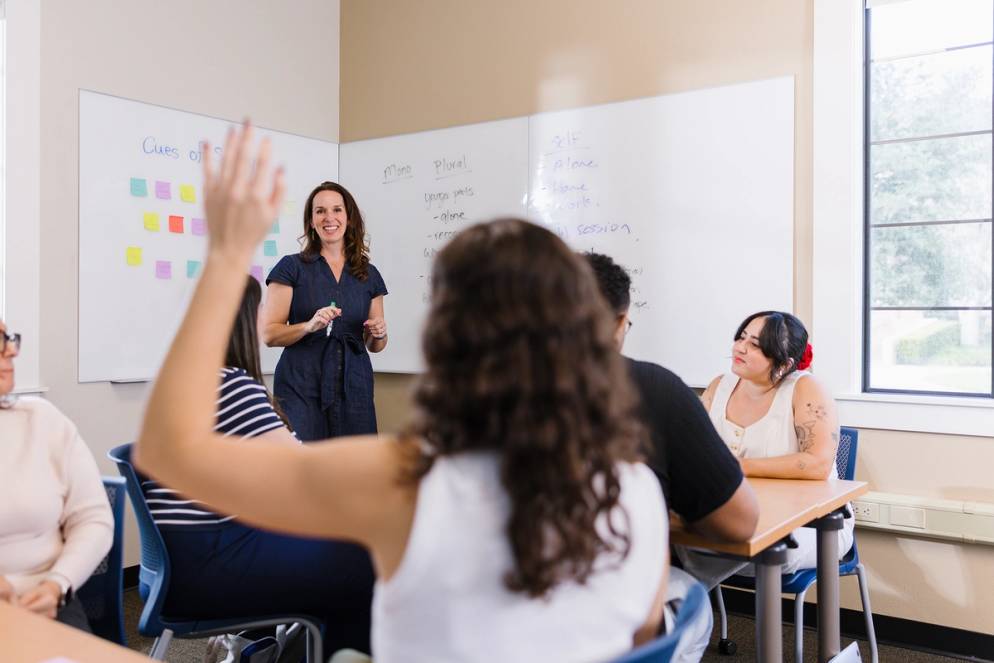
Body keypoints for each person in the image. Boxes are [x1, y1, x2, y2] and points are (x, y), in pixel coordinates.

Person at [135, 123, 668, 663]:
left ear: (441, 339)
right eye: (320, 211)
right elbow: (644, 643)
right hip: (307, 387)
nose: (329, 218)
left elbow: (165, 452)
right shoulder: (641, 491)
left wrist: (227, 254)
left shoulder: (399, 484)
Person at [139, 276, 375, 655]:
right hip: (207, 570)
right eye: (259, 309)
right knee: (361, 558)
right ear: (243, 321)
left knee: (330, 552)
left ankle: (263, 646)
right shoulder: (230, 385)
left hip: (177, 566)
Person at [584, 252, 758, 663]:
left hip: (485, 617)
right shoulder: (655, 389)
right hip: (599, 617)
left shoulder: (472, 395)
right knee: (689, 596)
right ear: (618, 323)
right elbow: (738, 522)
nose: (745, 348)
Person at [685, 310, 853, 584]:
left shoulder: (806, 389)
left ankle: (679, 607)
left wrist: (735, 467)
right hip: (739, 512)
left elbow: (818, 464)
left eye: (755, 345)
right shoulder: (719, 386)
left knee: (737, 546)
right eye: (742, 338)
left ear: (784, 364)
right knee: (670, 536)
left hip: (811, 526)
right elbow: (694, 450)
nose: (740, 347)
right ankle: (675, 609)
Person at [0, 320, 113, 631]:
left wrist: (56, 586)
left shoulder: (43, 420)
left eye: (8, 339)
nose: (10, 351)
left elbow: (94, 519)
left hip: (48, 605)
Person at [261, 181, 388, 440]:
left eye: (337, 210)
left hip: (354, 386)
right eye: (320, 211)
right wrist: (309, 326)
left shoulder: (368, 273)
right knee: (301, 468)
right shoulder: (291, 267)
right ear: (311, 221)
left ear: (349, 218)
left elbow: (374, 345)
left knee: (354, 468)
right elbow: (270, 334)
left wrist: (379, 333)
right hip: (301, 386)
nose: (329, 218)